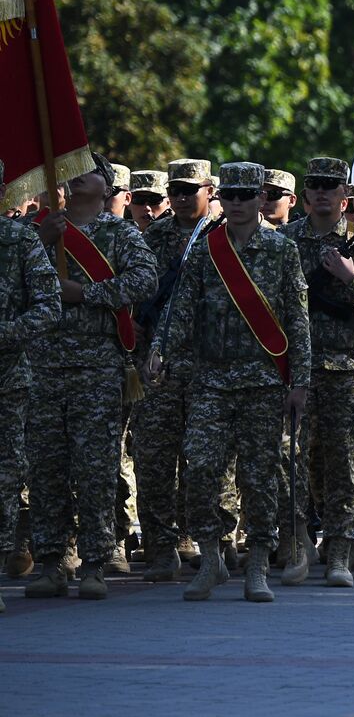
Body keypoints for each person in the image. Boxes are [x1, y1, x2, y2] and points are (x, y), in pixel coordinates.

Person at [148, 162, 311, 601]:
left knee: (260, 477)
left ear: (261, 198)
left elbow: (297, 319)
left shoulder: (282, 250)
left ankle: (257, 565)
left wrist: (300, 381)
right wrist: (160, 351)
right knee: (200, 467)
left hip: (262, 380)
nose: (237, 203)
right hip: (211, 380)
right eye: (231, 195)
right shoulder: (206, 250)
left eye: (246, 195)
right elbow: (180, 309)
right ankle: (212, 556)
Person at [27, 154, 157, 599]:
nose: (79, 173)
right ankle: (52, 561)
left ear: (106, 187)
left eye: (91, 168)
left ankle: (94, 564)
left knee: (95, 469)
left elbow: (145, 281)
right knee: (46, 468)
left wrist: (86, 294)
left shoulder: (118, 233)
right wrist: (40, 241)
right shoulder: (39, 231)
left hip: (97, 368)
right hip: (43, 365)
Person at [282, 157, 354, 586]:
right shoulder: (286, 240)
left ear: (344, 195)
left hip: (348, 367)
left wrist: (352, 280)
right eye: (315, 184)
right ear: (306, 192)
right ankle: (297, 539)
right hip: (297, 366)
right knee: (296, 457)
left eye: (332, 185)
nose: (322, 192)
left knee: (344, 459)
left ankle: (340, 549)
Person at [131, 158, 221, 581]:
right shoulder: (153, 236)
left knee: (205, 461)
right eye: (177, 191)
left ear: (209, 191)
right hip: (159, 364)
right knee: (153, 458)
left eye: (191, 190)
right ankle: (162, 547)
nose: (182, 198)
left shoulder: (222, 237)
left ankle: (204, 541)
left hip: (208, 365)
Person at [0, 159, 62, 608]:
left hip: (6, 378)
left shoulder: (19, 239)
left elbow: (48, 306)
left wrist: (4, 334)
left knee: (5, 477)